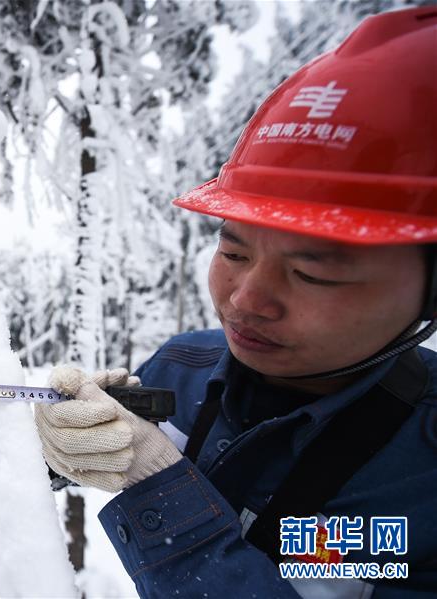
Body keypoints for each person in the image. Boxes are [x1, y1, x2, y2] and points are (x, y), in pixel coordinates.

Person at [35, 6, 437, 598]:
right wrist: (64, 447)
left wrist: (161, 490)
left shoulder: (420, 472)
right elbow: (112, 450)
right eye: (234, 251)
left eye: (312, 273)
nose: (246, 302)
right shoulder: (183, 369)